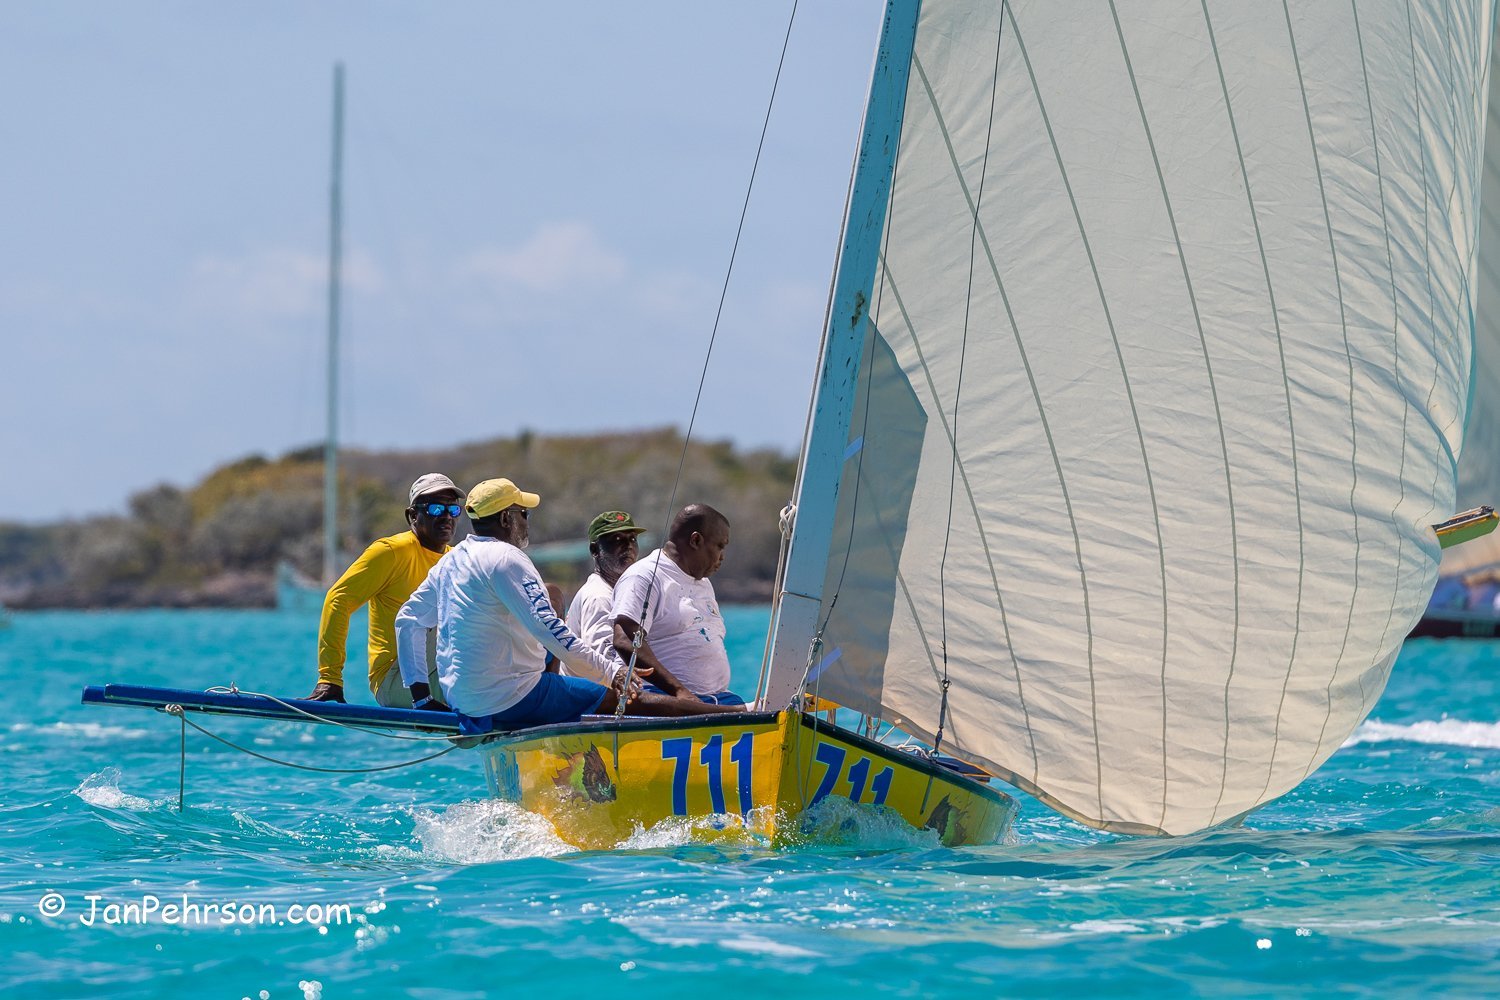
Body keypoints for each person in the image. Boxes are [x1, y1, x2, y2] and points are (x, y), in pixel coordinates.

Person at [394, 478, 740, 734]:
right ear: (505, 520)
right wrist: (615, 674)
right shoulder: (507, 559)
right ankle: (731, 718)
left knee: (554, 595)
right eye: (523, 514)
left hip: (462, 700)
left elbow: (408, 620)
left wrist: (422, 697)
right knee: (624, 701)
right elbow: (553, 633)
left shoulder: (452, 562)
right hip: (512, 696)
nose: (526, 523)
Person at [304, 473, 464, 711]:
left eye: (453, 510)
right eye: (435, 509)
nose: (446, 517)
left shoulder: (457, 558)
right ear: (412, 516)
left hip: (441, 672)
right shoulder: (391, 552)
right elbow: (338, 600)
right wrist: (330, 678)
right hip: (397, 680)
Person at [610, 504, 743, 705]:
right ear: (696, 540)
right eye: (720, 546)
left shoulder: (704, 583)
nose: (722, 556)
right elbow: (625, 640)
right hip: (668, 701)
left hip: (717, 699)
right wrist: (679, 691)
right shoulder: (644, 576)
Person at [564, 510, 647, 681]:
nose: (629, 546)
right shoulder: (599, 597)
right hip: (593, 701)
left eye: (632, 539)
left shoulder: (619, 592)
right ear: (595, 550)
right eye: (617, 540)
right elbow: (603, 662)